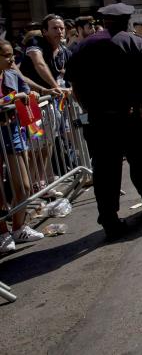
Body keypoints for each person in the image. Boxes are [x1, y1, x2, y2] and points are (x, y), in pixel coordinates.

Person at [65, 3, 142, 240]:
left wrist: (87, 109)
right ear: (127, 21)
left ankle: (110, 219)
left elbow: (75, 85)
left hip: (100, 120)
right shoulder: (135, 42)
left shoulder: (83, 46)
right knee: (140, 159)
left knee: (105, 169)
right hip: (132, 117)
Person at [0, 40, 45, 252]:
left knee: (24, 185)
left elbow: (27, 91)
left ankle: (18, 228)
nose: (12, 59)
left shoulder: (12, 73)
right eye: (7, 56)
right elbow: (14, 96)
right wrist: (12, 97)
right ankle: (2, 232)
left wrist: (32, 94)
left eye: (12, 55)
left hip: (13, 134)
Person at [20, 14, 70, 92]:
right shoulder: (35, 42)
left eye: (62, 28)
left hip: (58, 100)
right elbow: (40, 64)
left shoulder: (65, 51)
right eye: (55, 28)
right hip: (36, 98)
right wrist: (57, 87)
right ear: (45, 31)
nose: (59, 31)